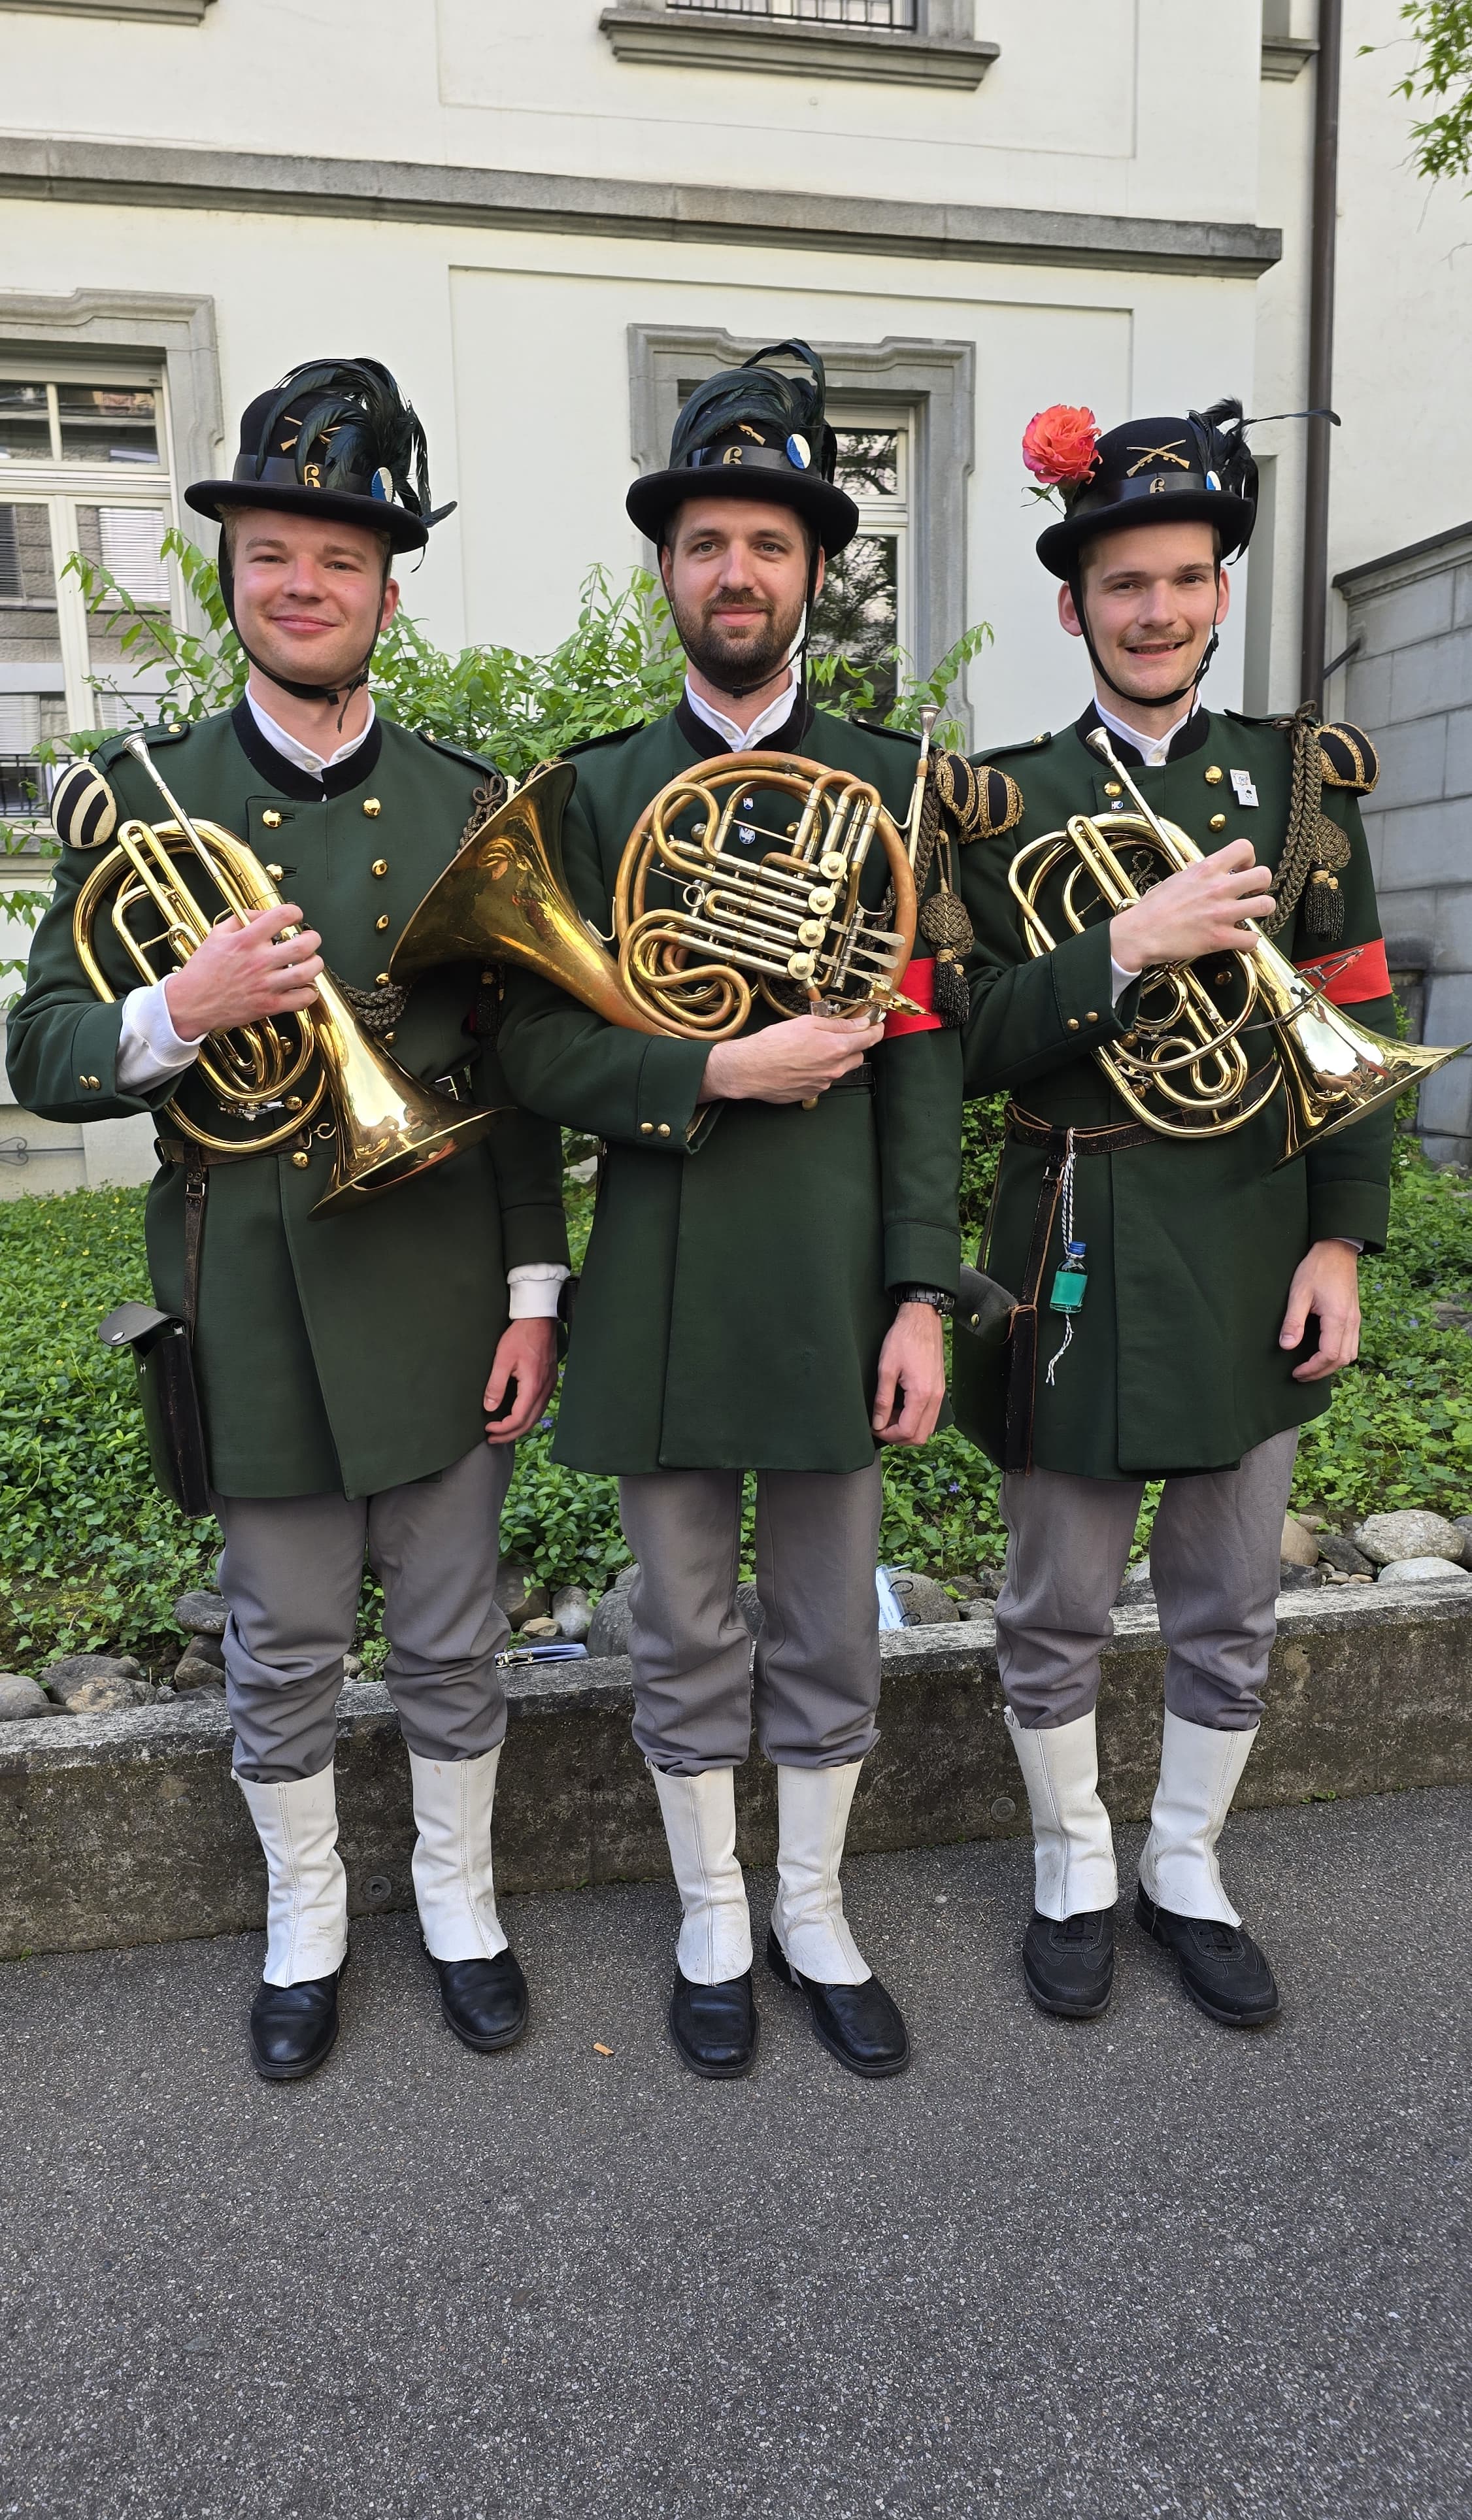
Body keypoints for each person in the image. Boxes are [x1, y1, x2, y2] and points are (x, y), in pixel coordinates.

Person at [7, 358, 568, 2081]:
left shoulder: (468, 800)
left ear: (389, 591)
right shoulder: (143, 793)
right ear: (232, 576)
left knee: (456, 1636)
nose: (302, 582)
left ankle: (460, 1905)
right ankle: (305, 1922)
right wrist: (175, 1008)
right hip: (248, 1286)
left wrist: (535, 1291)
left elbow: (514, 1069)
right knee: (285, 1645)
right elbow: (39, 1047)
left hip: (445, 1274)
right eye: (271, 553)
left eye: (339, 556)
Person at [495, 342, 973, 2081]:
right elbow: (529, 1045)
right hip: (667, 1265)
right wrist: (709, 1067)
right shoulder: (593, 791)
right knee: (685, 1617)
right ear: (666, 571)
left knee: (832, 1617)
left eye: (769, 542)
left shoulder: (896, 783)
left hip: (836, 1269)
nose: (736, 571)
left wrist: (919, 1291)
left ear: (816, 570)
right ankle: (714, 1913)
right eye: (705, 542)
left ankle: (814, 1908)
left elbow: (920, 1063)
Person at [956, 399, 1394, 2028]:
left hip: (1249, 1233)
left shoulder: (1296, 785)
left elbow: (1353, 1017)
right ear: (1073, 603)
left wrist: (1340, 1238)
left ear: (1220, 592)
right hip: (1069, 1230)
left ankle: (1187, 1864)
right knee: (1054, 1598)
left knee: (1228, 1597)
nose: (1156, 609)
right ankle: (1073, 1862)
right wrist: (1124, 945)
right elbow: (965, 1042)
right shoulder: (1000, 804)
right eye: (1123, 581)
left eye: (1185, 578)